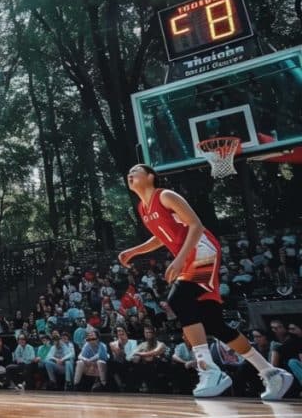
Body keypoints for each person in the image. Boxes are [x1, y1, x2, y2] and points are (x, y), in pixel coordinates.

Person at [119, 164, 294, 400]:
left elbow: (196, 225)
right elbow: (160, 237)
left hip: (203, 250)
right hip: (190, 256)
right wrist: (134, 251)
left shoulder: (166, 195)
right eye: (128, 172)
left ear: (150, 176)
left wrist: (180, 259)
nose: (131, 174)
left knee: (178, 298)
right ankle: (272, 373)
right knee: (213, 324)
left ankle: (209, 369)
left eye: (136, 171)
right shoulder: (143, 207)